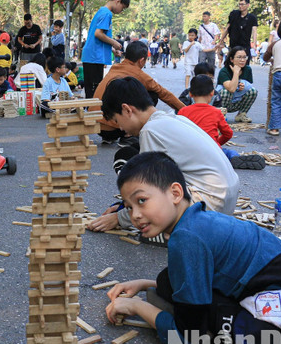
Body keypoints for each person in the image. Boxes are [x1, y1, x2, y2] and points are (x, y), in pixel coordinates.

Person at [107, 152, 281, 344]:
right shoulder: (199, 219)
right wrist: (147, 284)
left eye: (142, 201)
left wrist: (136, 305)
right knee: (166, 281)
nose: (135, 215)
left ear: (175, 193)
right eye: (128, 206)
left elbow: (189, 338)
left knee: (211, 320)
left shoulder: (186, 239)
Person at [88, 77, 239, 235]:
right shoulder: (175, 118)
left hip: (209, 205)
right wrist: (124, 205)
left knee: (150, 222)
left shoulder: (150, 131)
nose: (120, 127)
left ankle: (169, 234)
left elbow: (150, 190)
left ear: (127, 110)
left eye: (117, 121)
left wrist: (119, 218)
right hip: (226, 200)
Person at [92, 41, 185, 144]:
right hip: (117, 128)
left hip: (98, 126)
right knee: (152, 94)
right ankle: (128, 135)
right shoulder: (139, 74)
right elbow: (164, 94)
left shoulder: (116, 67)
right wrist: (186, 110)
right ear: (142, 60)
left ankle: (109, 137)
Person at [178, 75, 266, 170]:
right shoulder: (216, 112)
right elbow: (228, 134)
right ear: (212, 93)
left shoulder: (183, 111)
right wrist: (216, 143)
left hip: (190, 154)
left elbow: (178, 135)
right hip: (213, 153)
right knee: (229, 152)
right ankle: (233, 158)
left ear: (190, 94)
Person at [81, 0, 128, 100]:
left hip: (93, 55)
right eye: (123, 7)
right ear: (118, 1)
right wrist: (114, 42)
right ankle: (92, 114)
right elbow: (98, 34)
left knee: (92, 90)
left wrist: (112, 50)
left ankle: (91, 112)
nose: (121, 11)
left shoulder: (102, 11)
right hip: (94, 56)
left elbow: (98, 37)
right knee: (94, 90)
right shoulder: (107, 14)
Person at [217, 45, 258, 123]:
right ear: (232, 59)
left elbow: (248, 85)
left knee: (253, 91)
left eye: (244, 57)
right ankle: (221, 115)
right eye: (239, 57)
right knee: (226, 92)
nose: (242, 60)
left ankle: (241, 114)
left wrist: (243, 86)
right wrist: (236, 72)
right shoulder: (224, 71)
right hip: (224, 102)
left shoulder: (247, 69)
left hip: (237, 101)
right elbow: (231, 89)